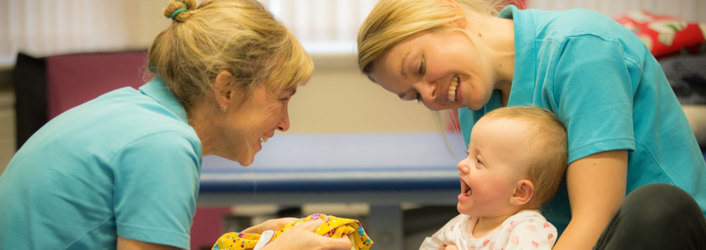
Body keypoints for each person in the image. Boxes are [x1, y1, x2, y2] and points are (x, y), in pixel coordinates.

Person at [0, 0, 351, 249]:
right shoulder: (164, 144)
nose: (285, 123)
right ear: (226, 89)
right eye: (282, 98)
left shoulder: (128, 110)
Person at [356, 0, 706, 249]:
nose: (431, 97)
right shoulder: (474, 100)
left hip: (653, 234)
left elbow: (596, 220)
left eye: (419, 69)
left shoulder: (580, 47)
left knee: (657, 207)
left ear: (450, 13)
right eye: (414, 96)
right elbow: (500, 216)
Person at [420, 106, 567, 250]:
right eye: (467, 154)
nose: (461, 164)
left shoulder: (527, 232)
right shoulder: (463, 223)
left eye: (478, 161)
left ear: (519, 192)